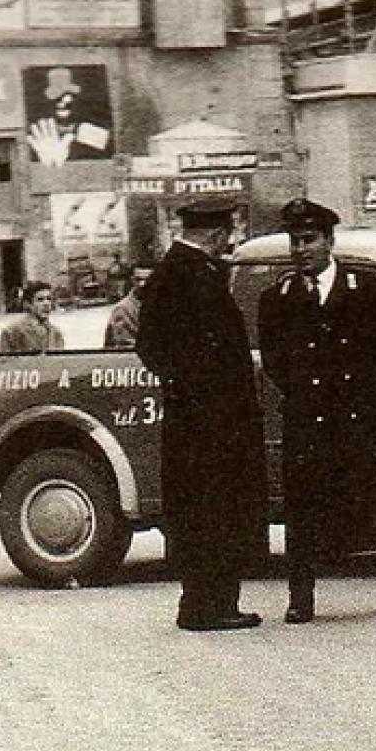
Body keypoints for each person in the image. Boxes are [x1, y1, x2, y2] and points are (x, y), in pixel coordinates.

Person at [257, 200, 376, 622]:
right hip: (309, 419)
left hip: (361, 417)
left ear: (329, 241)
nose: (300, 249)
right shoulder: (278, 298)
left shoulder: (367, 291)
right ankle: (300, 598)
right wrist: (300, 390)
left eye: (309, 240)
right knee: (303, 509)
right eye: (295, 241)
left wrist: (371, 388)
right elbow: (274, 358)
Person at [136, 197, 265, 632]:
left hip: (198, 420)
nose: (228, 241)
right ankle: (209, 606)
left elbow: (153, 348)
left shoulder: (177, 272)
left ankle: (204, 602)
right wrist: (201, 389)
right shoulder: (189, 276)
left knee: (206, 510)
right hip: (209, 423)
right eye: (226, 233)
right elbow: (158, 348)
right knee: (213, 510)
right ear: (214, 234)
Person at [0, 281, 65, 353]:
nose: (46, 303)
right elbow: (6, 362)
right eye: (40, 300)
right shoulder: (11, 332)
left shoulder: (56, 333)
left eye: (49, 299)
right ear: (28, 304)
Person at [102, 264, 151, 349]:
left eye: (148, 279)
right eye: (138, 279)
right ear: (132, 280)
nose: (143, 284)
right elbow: (123, 345)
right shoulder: (123, 310)